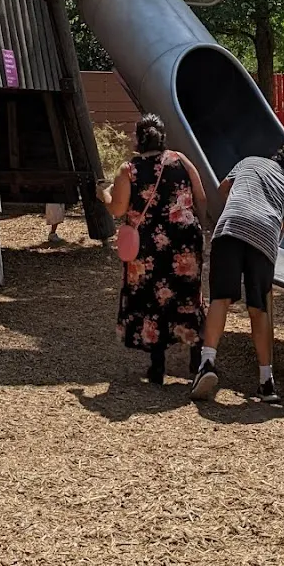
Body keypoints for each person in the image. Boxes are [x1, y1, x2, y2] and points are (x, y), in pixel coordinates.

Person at [190, 143, 284, 404]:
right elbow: (281, 232)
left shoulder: (250, 161)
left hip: (232, 225)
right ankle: (266, 381)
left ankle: (206, 363)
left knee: (220, 298)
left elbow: (222, 190)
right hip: (264, 238)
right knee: (259, 309)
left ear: (275, 157)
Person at [97, 112, 207, 385]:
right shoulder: (180, 160)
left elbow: (119, 208)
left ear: (138, 138)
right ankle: (196, 357)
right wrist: (198, 228)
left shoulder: (129, 170)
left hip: (147, 246)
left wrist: (104, 195)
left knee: (151, 298)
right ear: (162, 137)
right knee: (187, 295)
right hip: (184, 240)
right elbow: (200, 196)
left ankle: (157, 365)